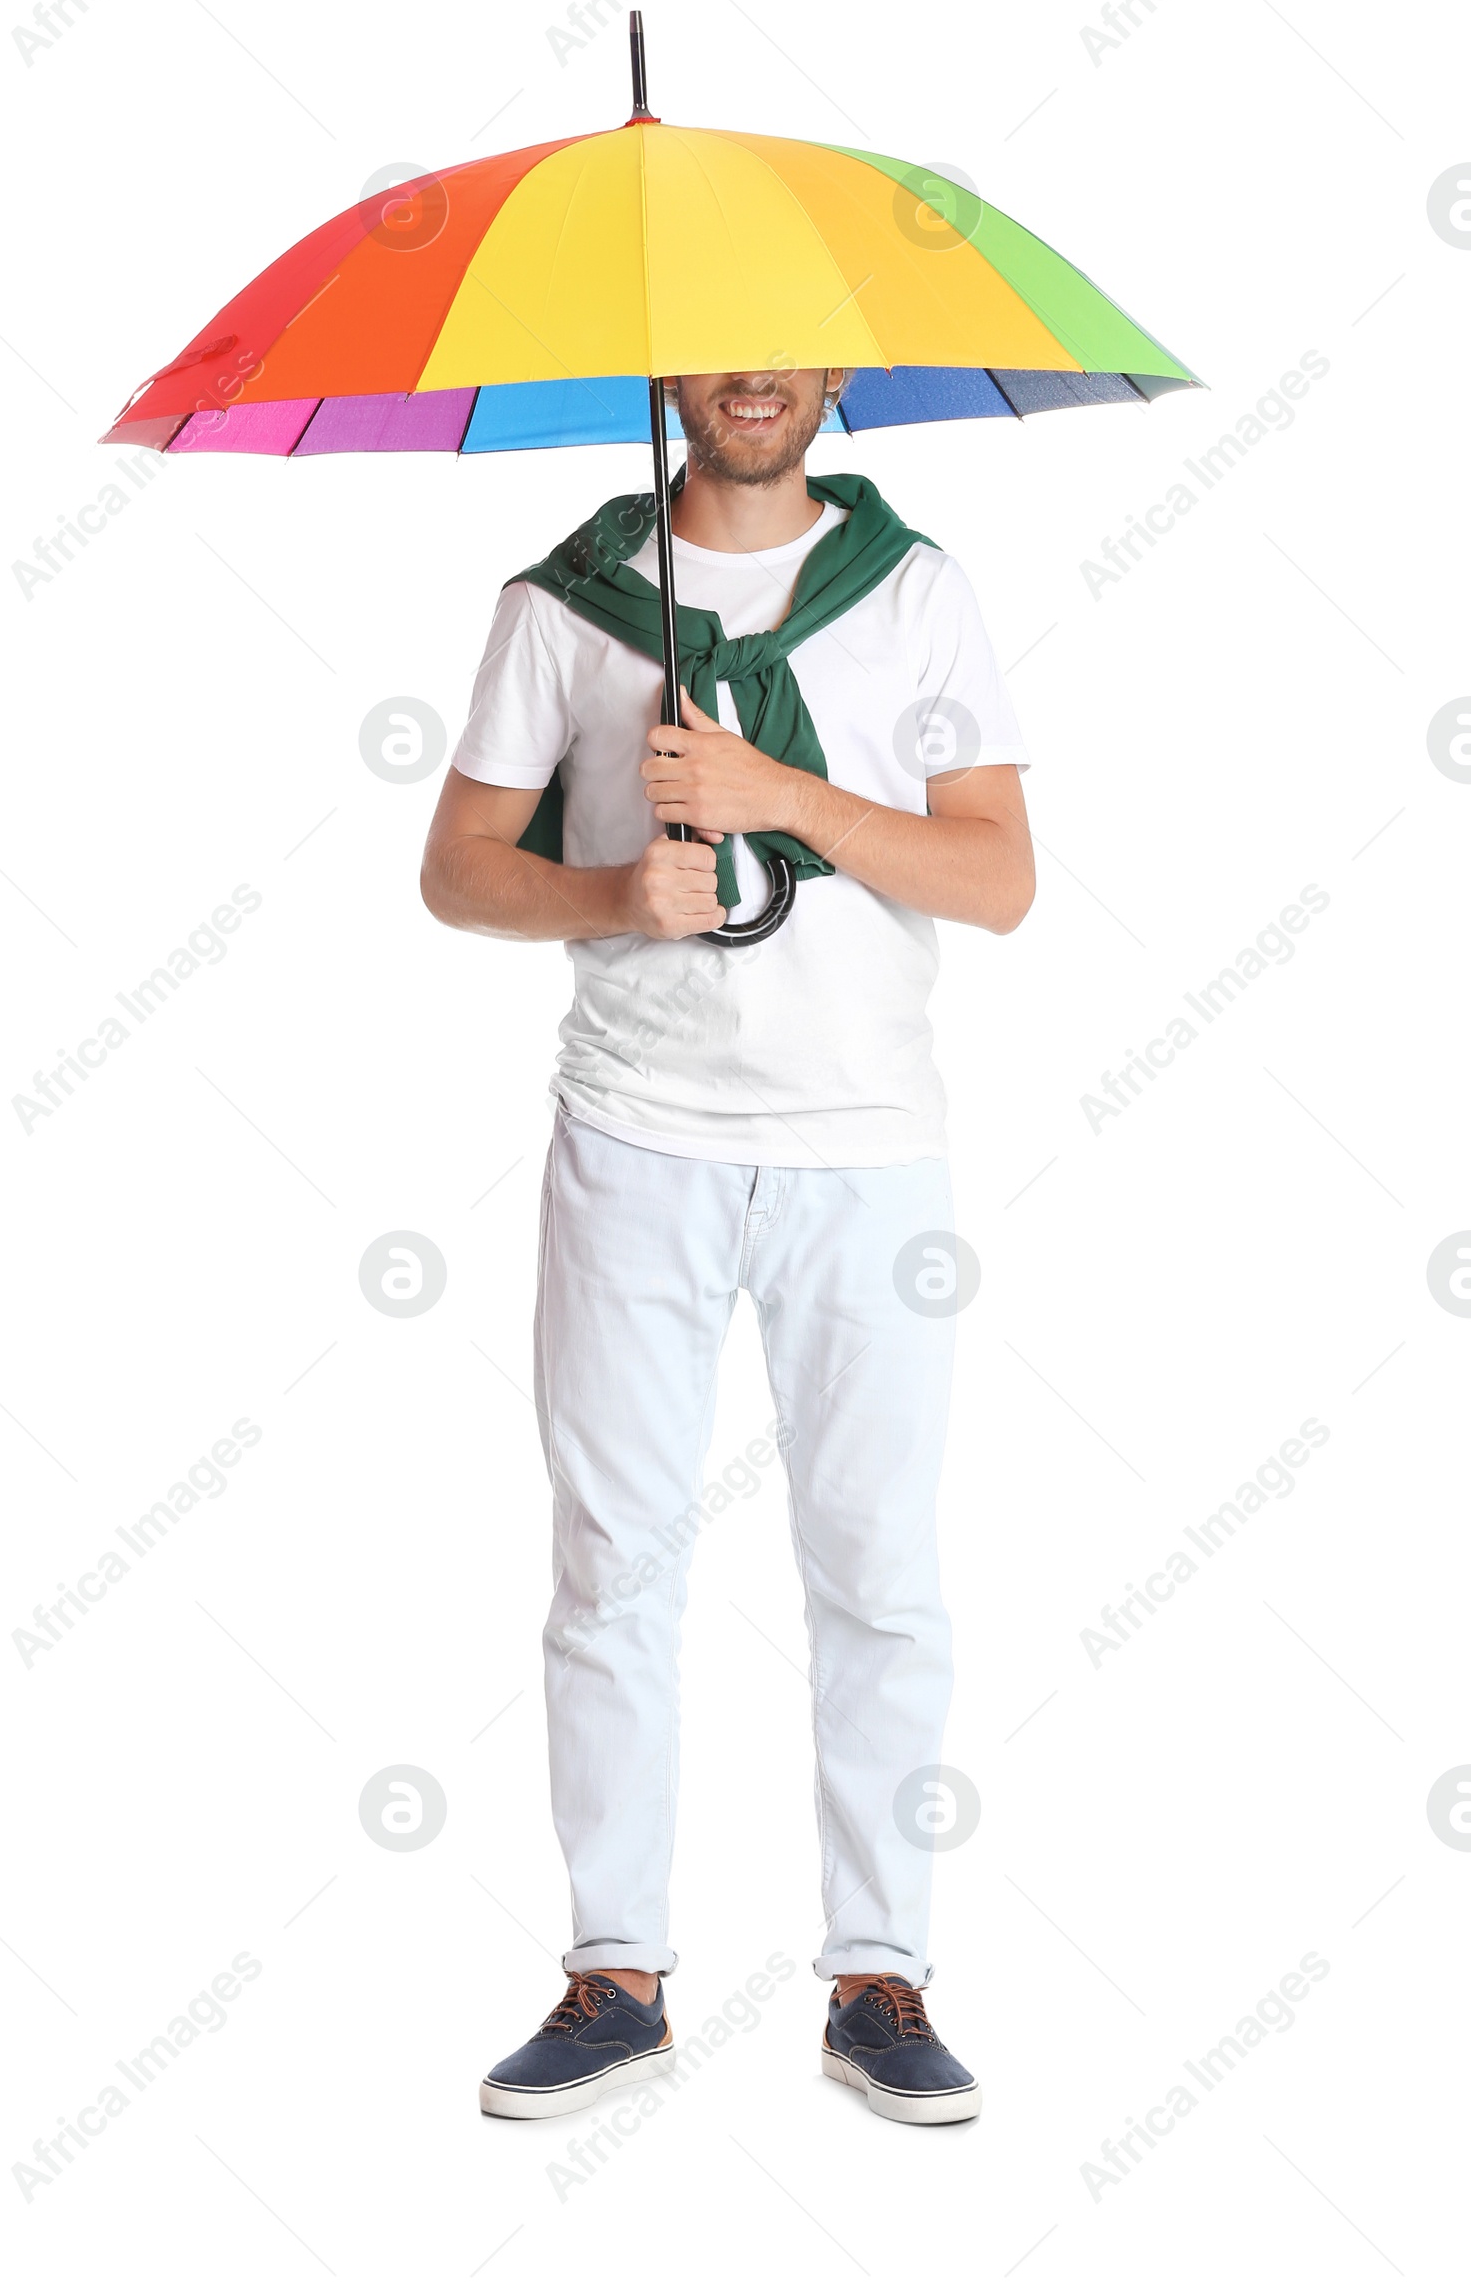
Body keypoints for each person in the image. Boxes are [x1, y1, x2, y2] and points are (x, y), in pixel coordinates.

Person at [421, 364, 1034, 2126]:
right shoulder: (561, 606)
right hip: (636, 1134)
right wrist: (617, 890)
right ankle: (616, 1973)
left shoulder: (918, 592)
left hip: (866, 1148)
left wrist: (780, 791)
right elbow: (457, 867)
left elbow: (997, 876)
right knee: (614, 1555)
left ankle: (880, 1975)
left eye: (788, 341)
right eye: (718, 341)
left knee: (879, 1569)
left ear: (834, 368)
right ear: (669, 369)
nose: (754, 374)